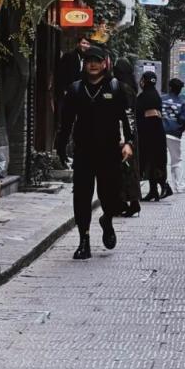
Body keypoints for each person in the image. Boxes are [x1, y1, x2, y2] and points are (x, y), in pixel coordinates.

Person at [55, 43, 133, 259]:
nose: (93, 65)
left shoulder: (116, 88)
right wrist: (61, 147)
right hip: (83, 152)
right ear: (84, 64)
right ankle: (84, 240)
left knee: (110, 196)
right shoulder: (75, 89)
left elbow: (128, 118)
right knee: (81, 197)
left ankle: (107, 220)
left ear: (104, 64)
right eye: (89, 61)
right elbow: (66, 122)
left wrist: (129, 142)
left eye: (97, 61)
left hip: (109, 152)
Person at [113, 57, 140, 217]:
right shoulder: (130, 87)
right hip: (130, 133)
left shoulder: (122, 88)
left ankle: (130, 202)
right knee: (128, 168)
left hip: (124, 133)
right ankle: (125, 202)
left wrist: (126, 138)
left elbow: (128, 114)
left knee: (124, 168)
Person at [136, 71, 168, 201]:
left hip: (148, 135)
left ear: (144, 81)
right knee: (155, 162)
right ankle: (153, 191)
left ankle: (163, 187)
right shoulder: (156, 95)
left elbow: (144, 115)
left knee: (150, 162)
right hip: (157, 134)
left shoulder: (144, 96)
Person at [55, 34, 91, 129]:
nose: (85, 46)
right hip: (68, 92)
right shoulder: (69, 56)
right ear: (78, 44)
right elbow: (61, 74)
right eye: (83, 43)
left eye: (88, 44)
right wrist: (64, 90)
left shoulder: (87, 59)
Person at [162, 78, 185, 195]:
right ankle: (180, 187)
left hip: (160, 133)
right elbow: (184, 121)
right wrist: (178, 130)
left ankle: (161, 186)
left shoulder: (161, 99)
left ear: (170, 87)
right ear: (180, 90)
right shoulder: (182, 103)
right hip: (174, 135)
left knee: (160, 161)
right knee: (176, 161)